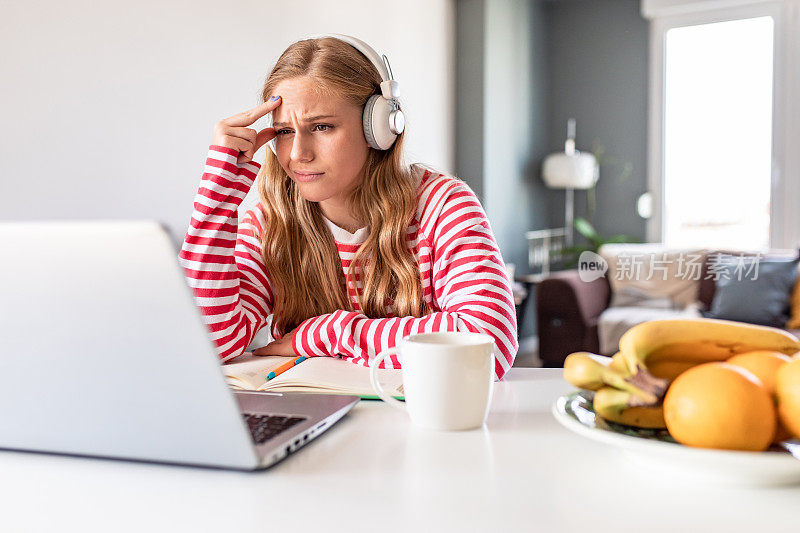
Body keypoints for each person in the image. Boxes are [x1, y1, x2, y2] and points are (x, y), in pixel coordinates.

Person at [179, 34, 518, 380]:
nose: (298, 154)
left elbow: (488, 344)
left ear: (379, 127)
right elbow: (207, 344)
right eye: (283, 131)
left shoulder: (443, 205)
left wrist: (326, 333)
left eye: (322, 126)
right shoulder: (269, 225)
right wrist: (218, 196)